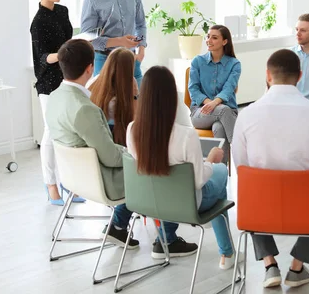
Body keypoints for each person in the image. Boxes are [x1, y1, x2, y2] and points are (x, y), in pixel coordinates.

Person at [46, 39, 198, 256]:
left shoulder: (55, 98)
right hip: (102, 180)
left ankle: (118, 227)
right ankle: (168, 239)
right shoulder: (84, 110)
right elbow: (111, 158)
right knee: (159, 166)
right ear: (90, 68)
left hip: (75, 178)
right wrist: (137, 154)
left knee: (145, 164)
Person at [232, 49, 309, 289]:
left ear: (268, 75)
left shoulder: (247, 115)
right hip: (306, 207)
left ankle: (270, 265)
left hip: (260, 208)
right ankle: (297, 266)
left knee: (251, 190)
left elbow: (241, 167)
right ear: (299, 76)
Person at [127, 66, 239, 268]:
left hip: (148, 202)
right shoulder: (186, 136)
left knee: (166, 183)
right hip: (186, 206)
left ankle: (163, 242)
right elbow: (198, 181)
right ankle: (227, 253)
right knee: (220, 172)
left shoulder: (132, 129)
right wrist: (211, 160)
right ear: (172, 98)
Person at [30, 0, 75, 206]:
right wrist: (64, 53)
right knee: (51, 132)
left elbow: (67, 39)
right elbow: (41, 58)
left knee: (67, 132)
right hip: (48, 82)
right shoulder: (37, 23)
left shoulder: (62, 11)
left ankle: (69, 182)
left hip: (67, 77)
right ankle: (51, 185)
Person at [80, 0, 147, 86]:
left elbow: (141, 24)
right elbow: (89, 40)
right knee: (104, 105)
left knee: (139, 103)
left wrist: (141, 51)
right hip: (103, 60)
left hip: (131, 59)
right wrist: (120, 41)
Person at [189, 25, 241, 164]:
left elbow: (229, 89)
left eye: (214, 37)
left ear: (225, 42)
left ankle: (220, 170)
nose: (209, 40)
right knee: (223, 110)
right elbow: (193, 89)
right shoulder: (197, 62)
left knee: (219, 127)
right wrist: (208, 103)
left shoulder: (234, 64)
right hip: (200, 113)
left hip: (227, 112)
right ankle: (240, 150)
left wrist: (215, 102)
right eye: (208, 36)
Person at [87, 48, 137, 146]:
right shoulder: (129, 85)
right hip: (115, 137)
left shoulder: (95, 80)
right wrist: (135, 96)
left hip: (95, 134)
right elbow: (134, 117)